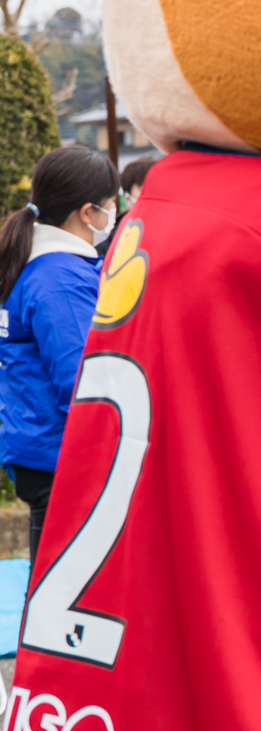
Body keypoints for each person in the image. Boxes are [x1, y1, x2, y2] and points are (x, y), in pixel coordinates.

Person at [0, 145, 120, 559]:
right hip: (65, 457)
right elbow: (82, 380)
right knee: (64, 590)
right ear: (88, 213)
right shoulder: (59, 278)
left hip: (42, 449)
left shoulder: (36, 263)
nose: (115, 215)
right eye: (111, 205)